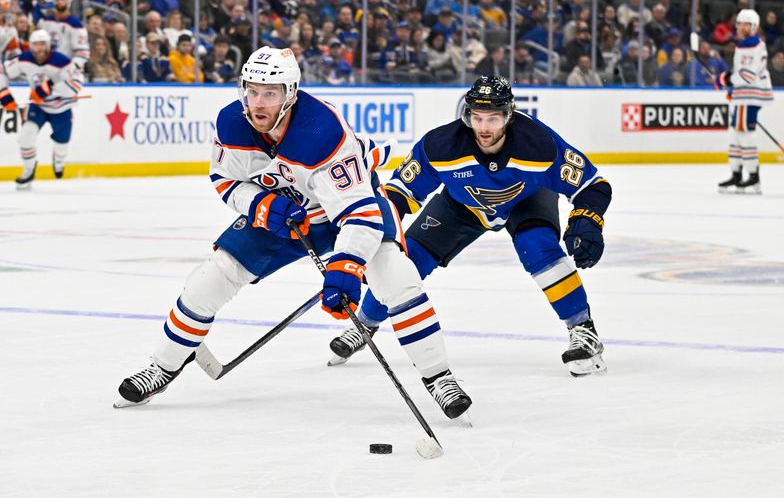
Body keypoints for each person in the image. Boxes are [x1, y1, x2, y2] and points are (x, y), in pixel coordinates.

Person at [114, 47, 473, 421]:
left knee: (397, 280)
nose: (258, 103)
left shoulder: (322, 131)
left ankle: (438, 376)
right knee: (209, 279)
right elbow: (224, 180)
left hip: (344, 214)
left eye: (269, 93)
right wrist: (262, 206)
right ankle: (165, 364)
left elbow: (360, 214)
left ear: (291, 93)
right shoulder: (231, 123)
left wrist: (345, 269)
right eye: (252, 91)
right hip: (286, 218)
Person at [327, 76, 613, 378]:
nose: (484, 128)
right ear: (467, 115)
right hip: (462, 205)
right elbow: (399, 193)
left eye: (493, 118)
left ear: (509, 115)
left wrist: (587, 218)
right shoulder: (440, 145)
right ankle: (365, 323)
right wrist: (375, 228)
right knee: (407, 261)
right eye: (477, 118)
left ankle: (583, 329)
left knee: (538, 246)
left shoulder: (539, 144)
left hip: (526, 200)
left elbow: (593, 185)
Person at [0, 29, 83, 187]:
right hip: (39, 106)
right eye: (35, 45)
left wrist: (47, 89)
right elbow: (2, 71)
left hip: (62, 108)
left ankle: (59, 161)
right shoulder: (24, 59)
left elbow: (76, 84)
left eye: (43, 44)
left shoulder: (61, 61)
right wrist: (3, 93)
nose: (39, 48)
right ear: (30, 46)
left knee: (62, 143)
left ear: (49, 45)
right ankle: (28, 170)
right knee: (25, 137)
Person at [715, 9, 774, 194]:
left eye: (743, 24)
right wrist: (733, 88)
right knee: (735, 134)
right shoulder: (745, 45)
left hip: (750, 95)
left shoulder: (752, 45)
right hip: (744, 95)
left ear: (753, 26)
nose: (739, 27)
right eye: (738, 23)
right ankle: (737, 173)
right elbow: (743, 75)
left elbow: (747, 75)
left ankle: (753, 176)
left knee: (744, 134)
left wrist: (725, 79)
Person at [38, 0, 89, 70]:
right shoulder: (45, 22)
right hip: (46, 69)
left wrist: (72, 68)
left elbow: (82, 53)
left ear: (69, 1)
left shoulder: (76, 25)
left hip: (65, 70)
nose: (60, 1)